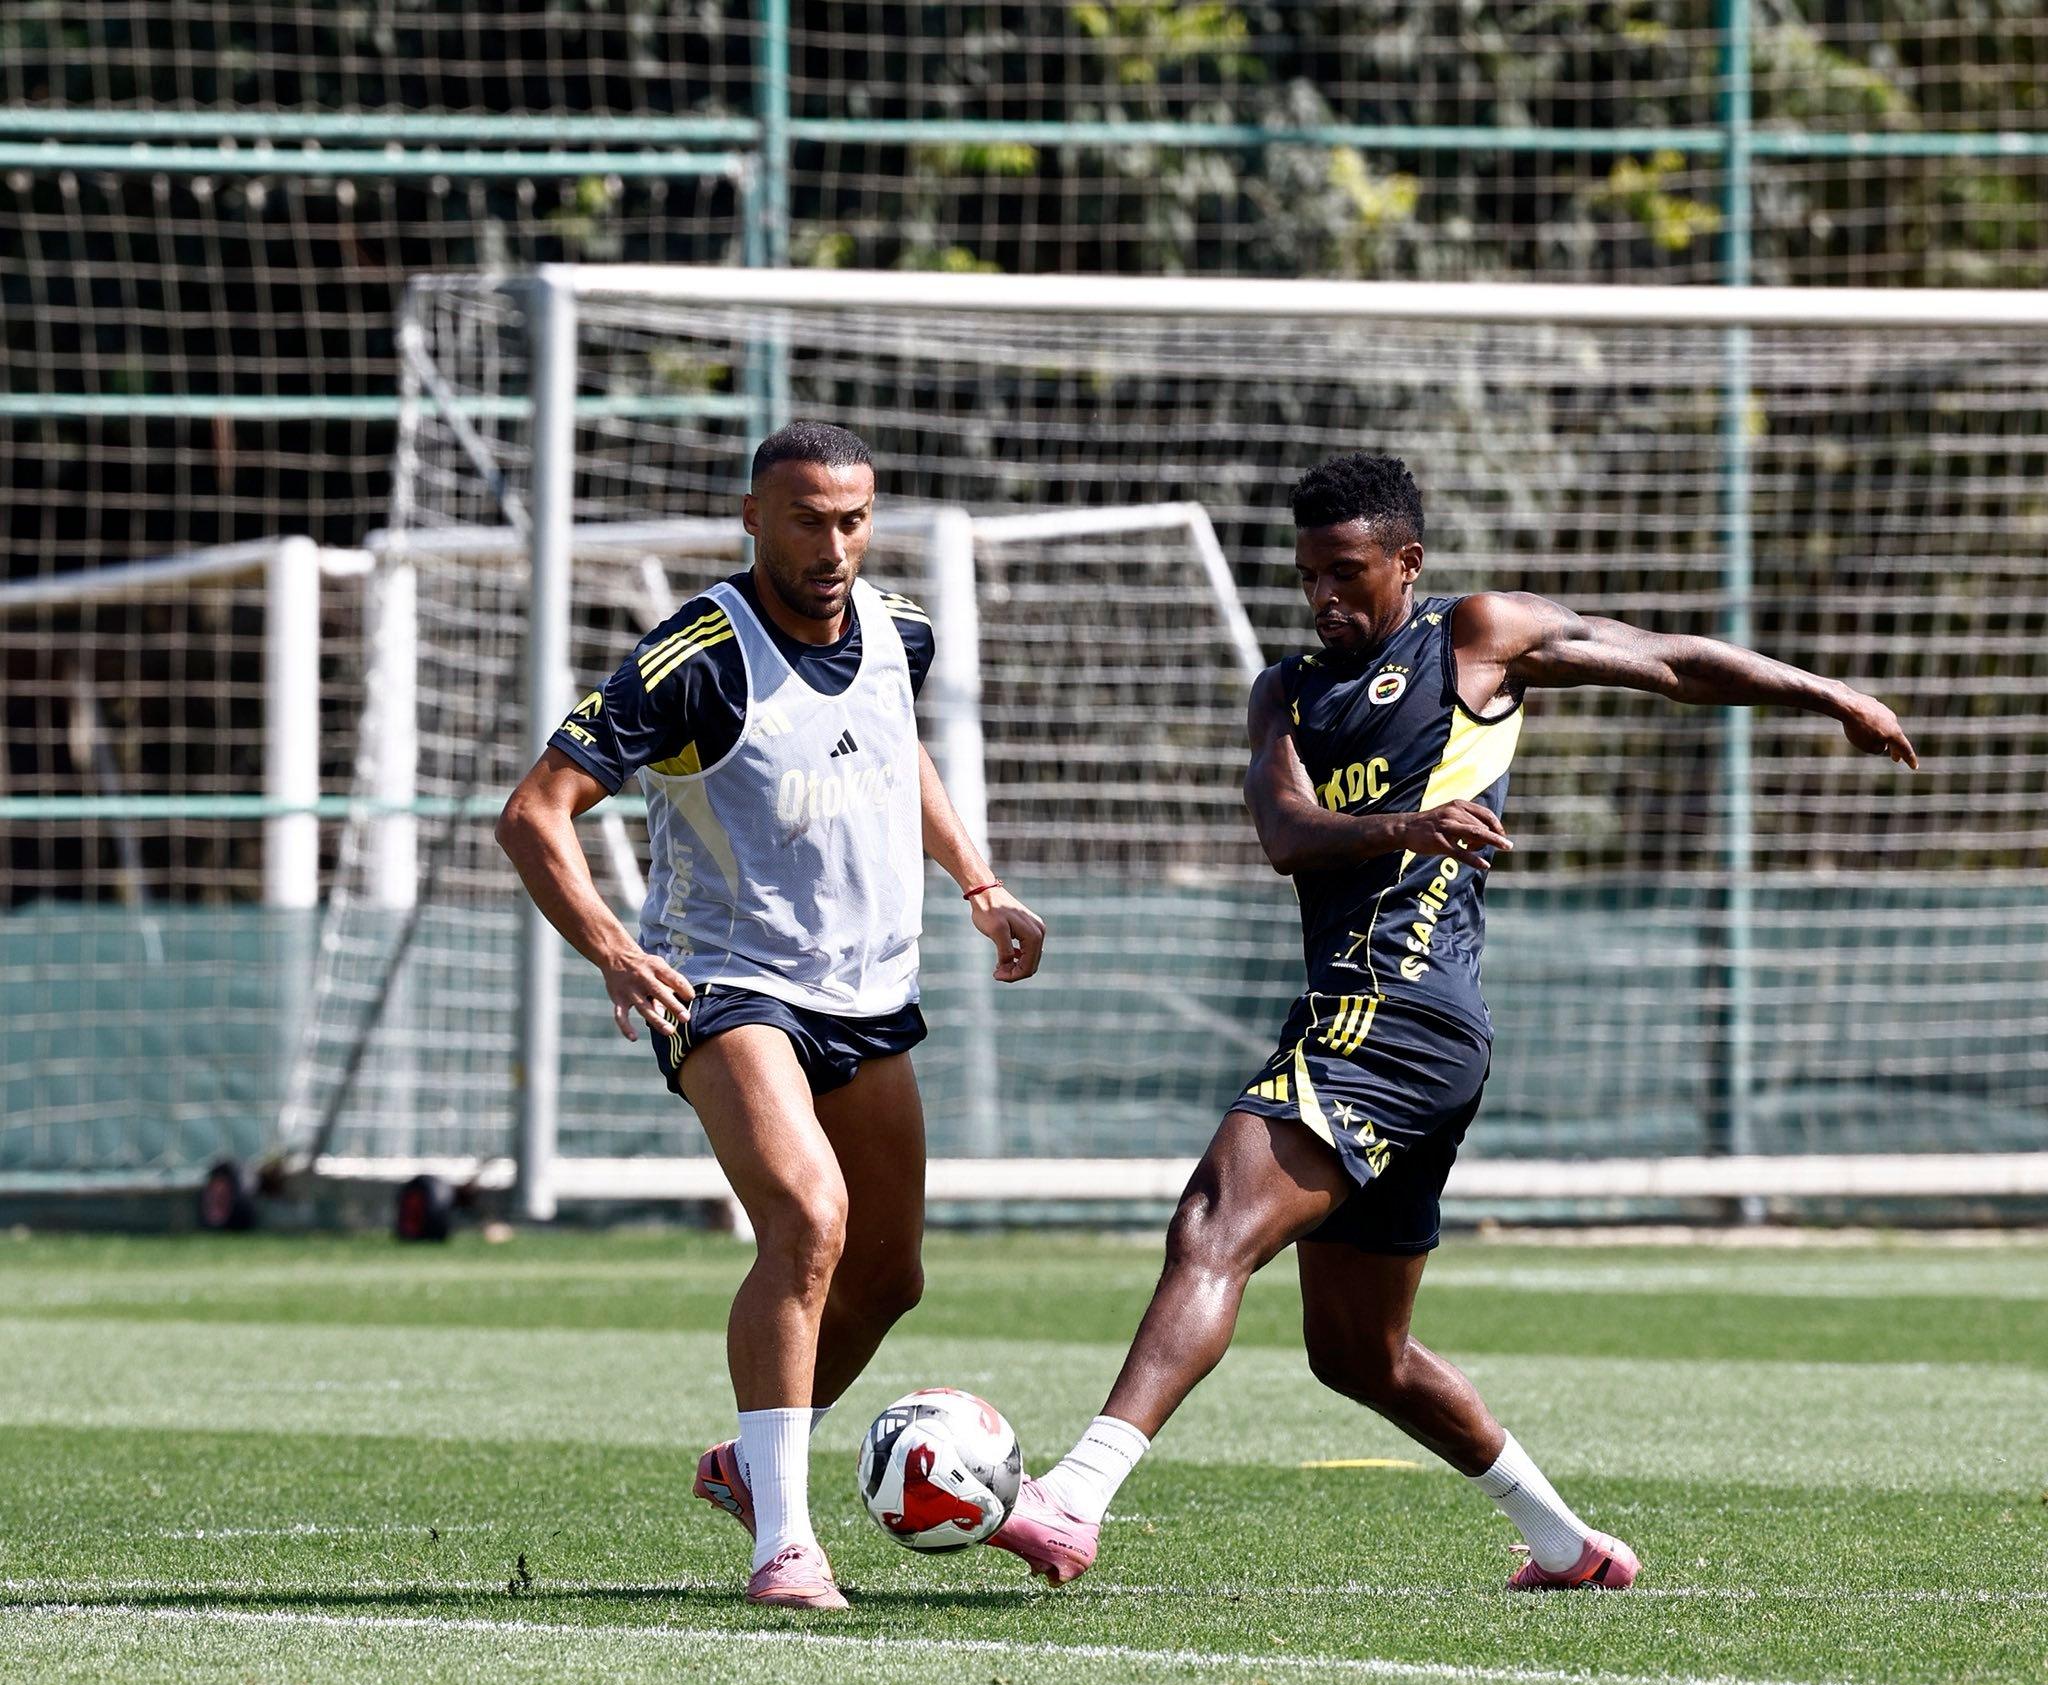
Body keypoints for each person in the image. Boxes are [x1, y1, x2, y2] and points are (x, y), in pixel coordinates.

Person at [990, 453, 1916, 1592]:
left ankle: (1073, 1499)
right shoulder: (1285, 693)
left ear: (1406, 562)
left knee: (1212, 1226)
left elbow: (1667, 659)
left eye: (1345, 573)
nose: (1323, 598)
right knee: (1356, 1351)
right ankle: (1569, 1548)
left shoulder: (1474, 637)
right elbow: (1284, 833)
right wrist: (1403, 824)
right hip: (1396, 1026)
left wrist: (1830, 694)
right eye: (1307, 576)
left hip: (1395, 1008)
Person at [498, 421, 1046, 1610]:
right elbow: (534, 811)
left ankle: (748, 1466)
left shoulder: (901, 631)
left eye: (852, 520)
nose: (832, 546)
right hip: (726, 982)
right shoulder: (694, 657)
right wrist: (613, 948)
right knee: (807, 1218)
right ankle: (784, 1544)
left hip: (868, 989)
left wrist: (979, 881)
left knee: (888, 1274)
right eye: (805, 521)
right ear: (753, 519)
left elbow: (894, 752)